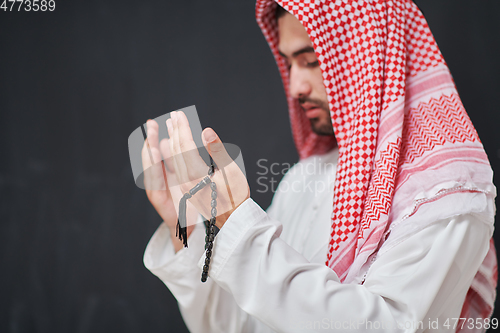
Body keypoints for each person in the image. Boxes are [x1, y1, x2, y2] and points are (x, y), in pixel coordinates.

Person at [142, 0, 497, 332]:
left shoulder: (446, 194)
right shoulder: (305, 178)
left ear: (368, 58)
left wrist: (239, 228)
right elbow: (242, 324)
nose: (295, 85)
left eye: (311, 60)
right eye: (289, 62)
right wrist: (187, 227)